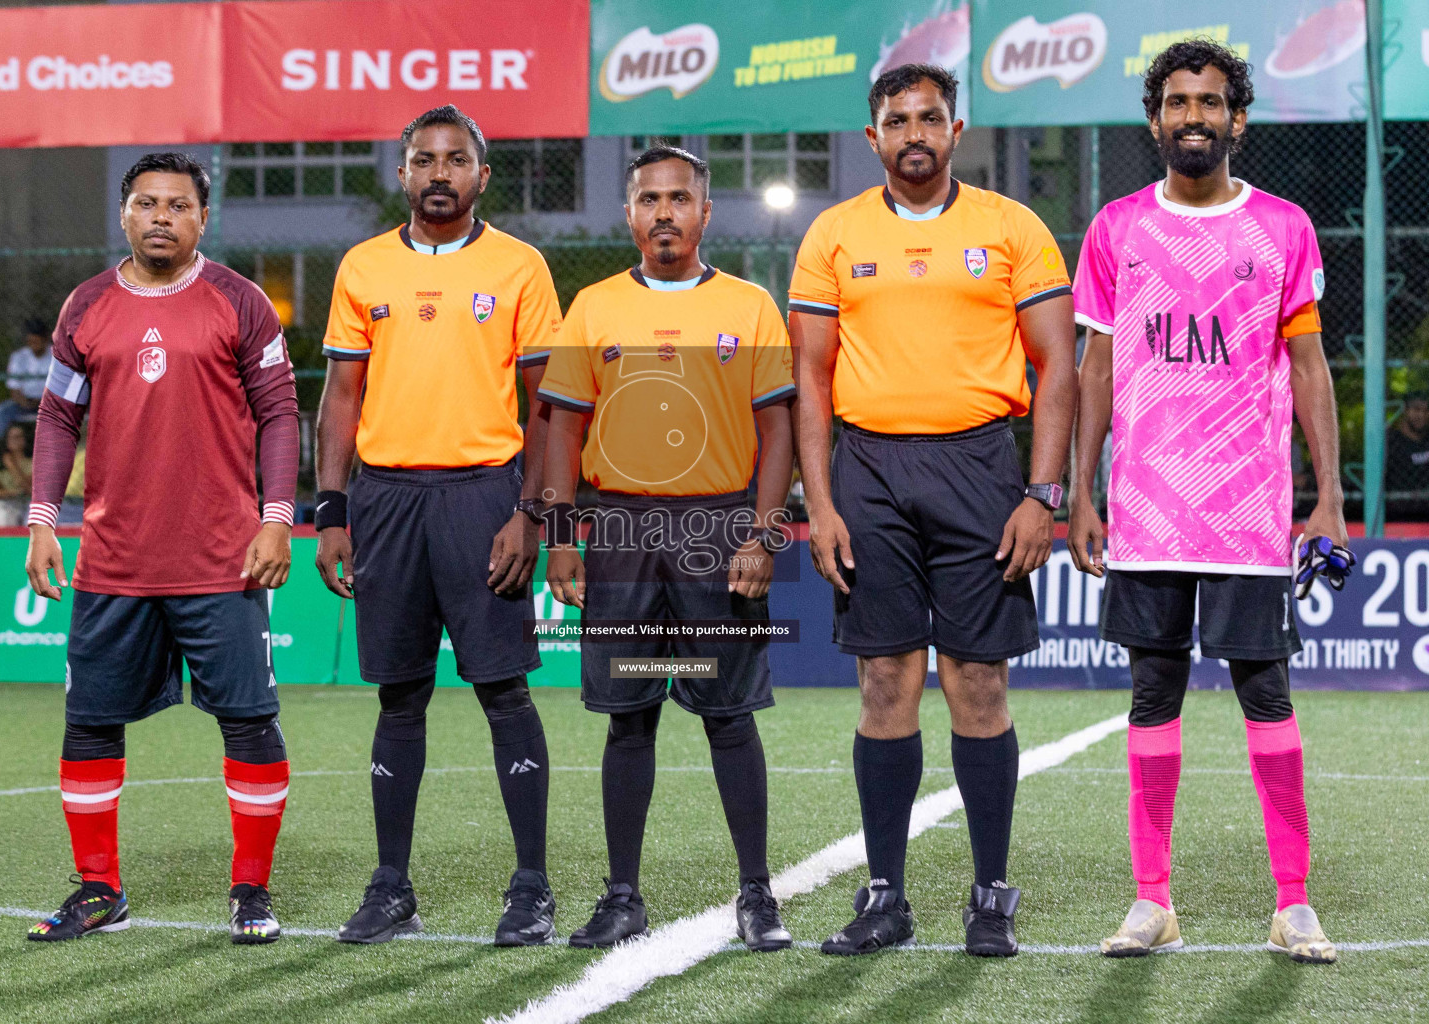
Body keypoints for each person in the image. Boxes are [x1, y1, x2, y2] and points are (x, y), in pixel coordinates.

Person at [790, 63, 1077, 957]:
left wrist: (1043, 493)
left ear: (957, 130)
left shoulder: (1011, 227)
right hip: (867, 469)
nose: (915, 133)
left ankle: (992, 892)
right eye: (896, 120)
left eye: (930, 118)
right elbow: (810, 376)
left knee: (978, 683)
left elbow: (1057, 365)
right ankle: (886, 897)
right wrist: (821, 504)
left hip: (980, 467)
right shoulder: (833, 235)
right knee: (884, 683)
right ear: (871, 138)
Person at [1068, 40, 1343, 964]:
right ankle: (1153, 902)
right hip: (1142, 507)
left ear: (1239, 119)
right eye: (1178, 101)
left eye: (1212, 102)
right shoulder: (1114, 229)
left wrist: (1329, 498)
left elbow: (1308, 369)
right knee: (1154, 692)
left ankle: (1293, 903)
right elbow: (1096, 367)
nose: (1195, 115)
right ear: (1154, 121)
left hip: (1248, 512)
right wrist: (1078, 491)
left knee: (1266, 689)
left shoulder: (1283, 228)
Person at [23, 152, 299, 945]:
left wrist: (276, 516)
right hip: (114, 557)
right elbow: (55, 418)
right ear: (124, 213)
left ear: (201, 219)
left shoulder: (239, 302)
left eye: (178, 206)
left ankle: (251, 892)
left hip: (223, 558)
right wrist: (43, 516)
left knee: (250, 721)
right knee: (89, 725)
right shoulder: (86, 306)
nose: (161, 218)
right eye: (147, 203)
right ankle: (99, 890)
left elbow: (280, 413)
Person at [539, 146, 798, 951]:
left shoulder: (752, 307)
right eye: (649, 198)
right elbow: (562, 429)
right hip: (618, 533)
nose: (663, 213)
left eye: (678, 198)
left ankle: (757, 895)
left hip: (716, 532)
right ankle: (622, 896)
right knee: (630, 717)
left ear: (705, 212)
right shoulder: (592, 308)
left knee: (728, 718)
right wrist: (560, 539)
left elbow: (777, 429)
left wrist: (763, 533)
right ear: (629, 214)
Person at [315, 105, 562, 947]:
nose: (440, 173)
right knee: (399, 693)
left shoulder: (521, 266)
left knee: (503, 689)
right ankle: (391, 886)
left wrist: (531, 514)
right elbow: (340, 398)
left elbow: (548, 409)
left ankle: (530, 886)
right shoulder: (362, 267)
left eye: (457, 160)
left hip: (484, 498)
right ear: (403, 172)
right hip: (384, 501)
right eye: (425, 159)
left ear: (482, 176)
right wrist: (332, 511)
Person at [0, 317, 53, 442]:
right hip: (24, 403)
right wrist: (25, 403)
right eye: (31, 341)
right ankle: (5, 450)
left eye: (37, 341)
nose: (33, 345)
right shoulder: (19, 357)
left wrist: (42, 401)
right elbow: (14, 389)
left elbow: (62, 388)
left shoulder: (56, 355)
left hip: (50, 403)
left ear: (45, 339)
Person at [0, 423, 33, 526]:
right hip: (6, 502)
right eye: (10, 437)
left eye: (17, 437)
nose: (14, 440)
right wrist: (11, 493)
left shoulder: (33, 462)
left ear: (25, 439)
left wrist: (12, 465)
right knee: (0, 518)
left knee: (31, 522)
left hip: (29, 503)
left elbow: (29, 490)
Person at [1386, 393, 1429, 493]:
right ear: (1405, 410)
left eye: (1426, 410)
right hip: (1398, 505)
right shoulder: (1391, 441)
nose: (1421, 415)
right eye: (1416, 409)